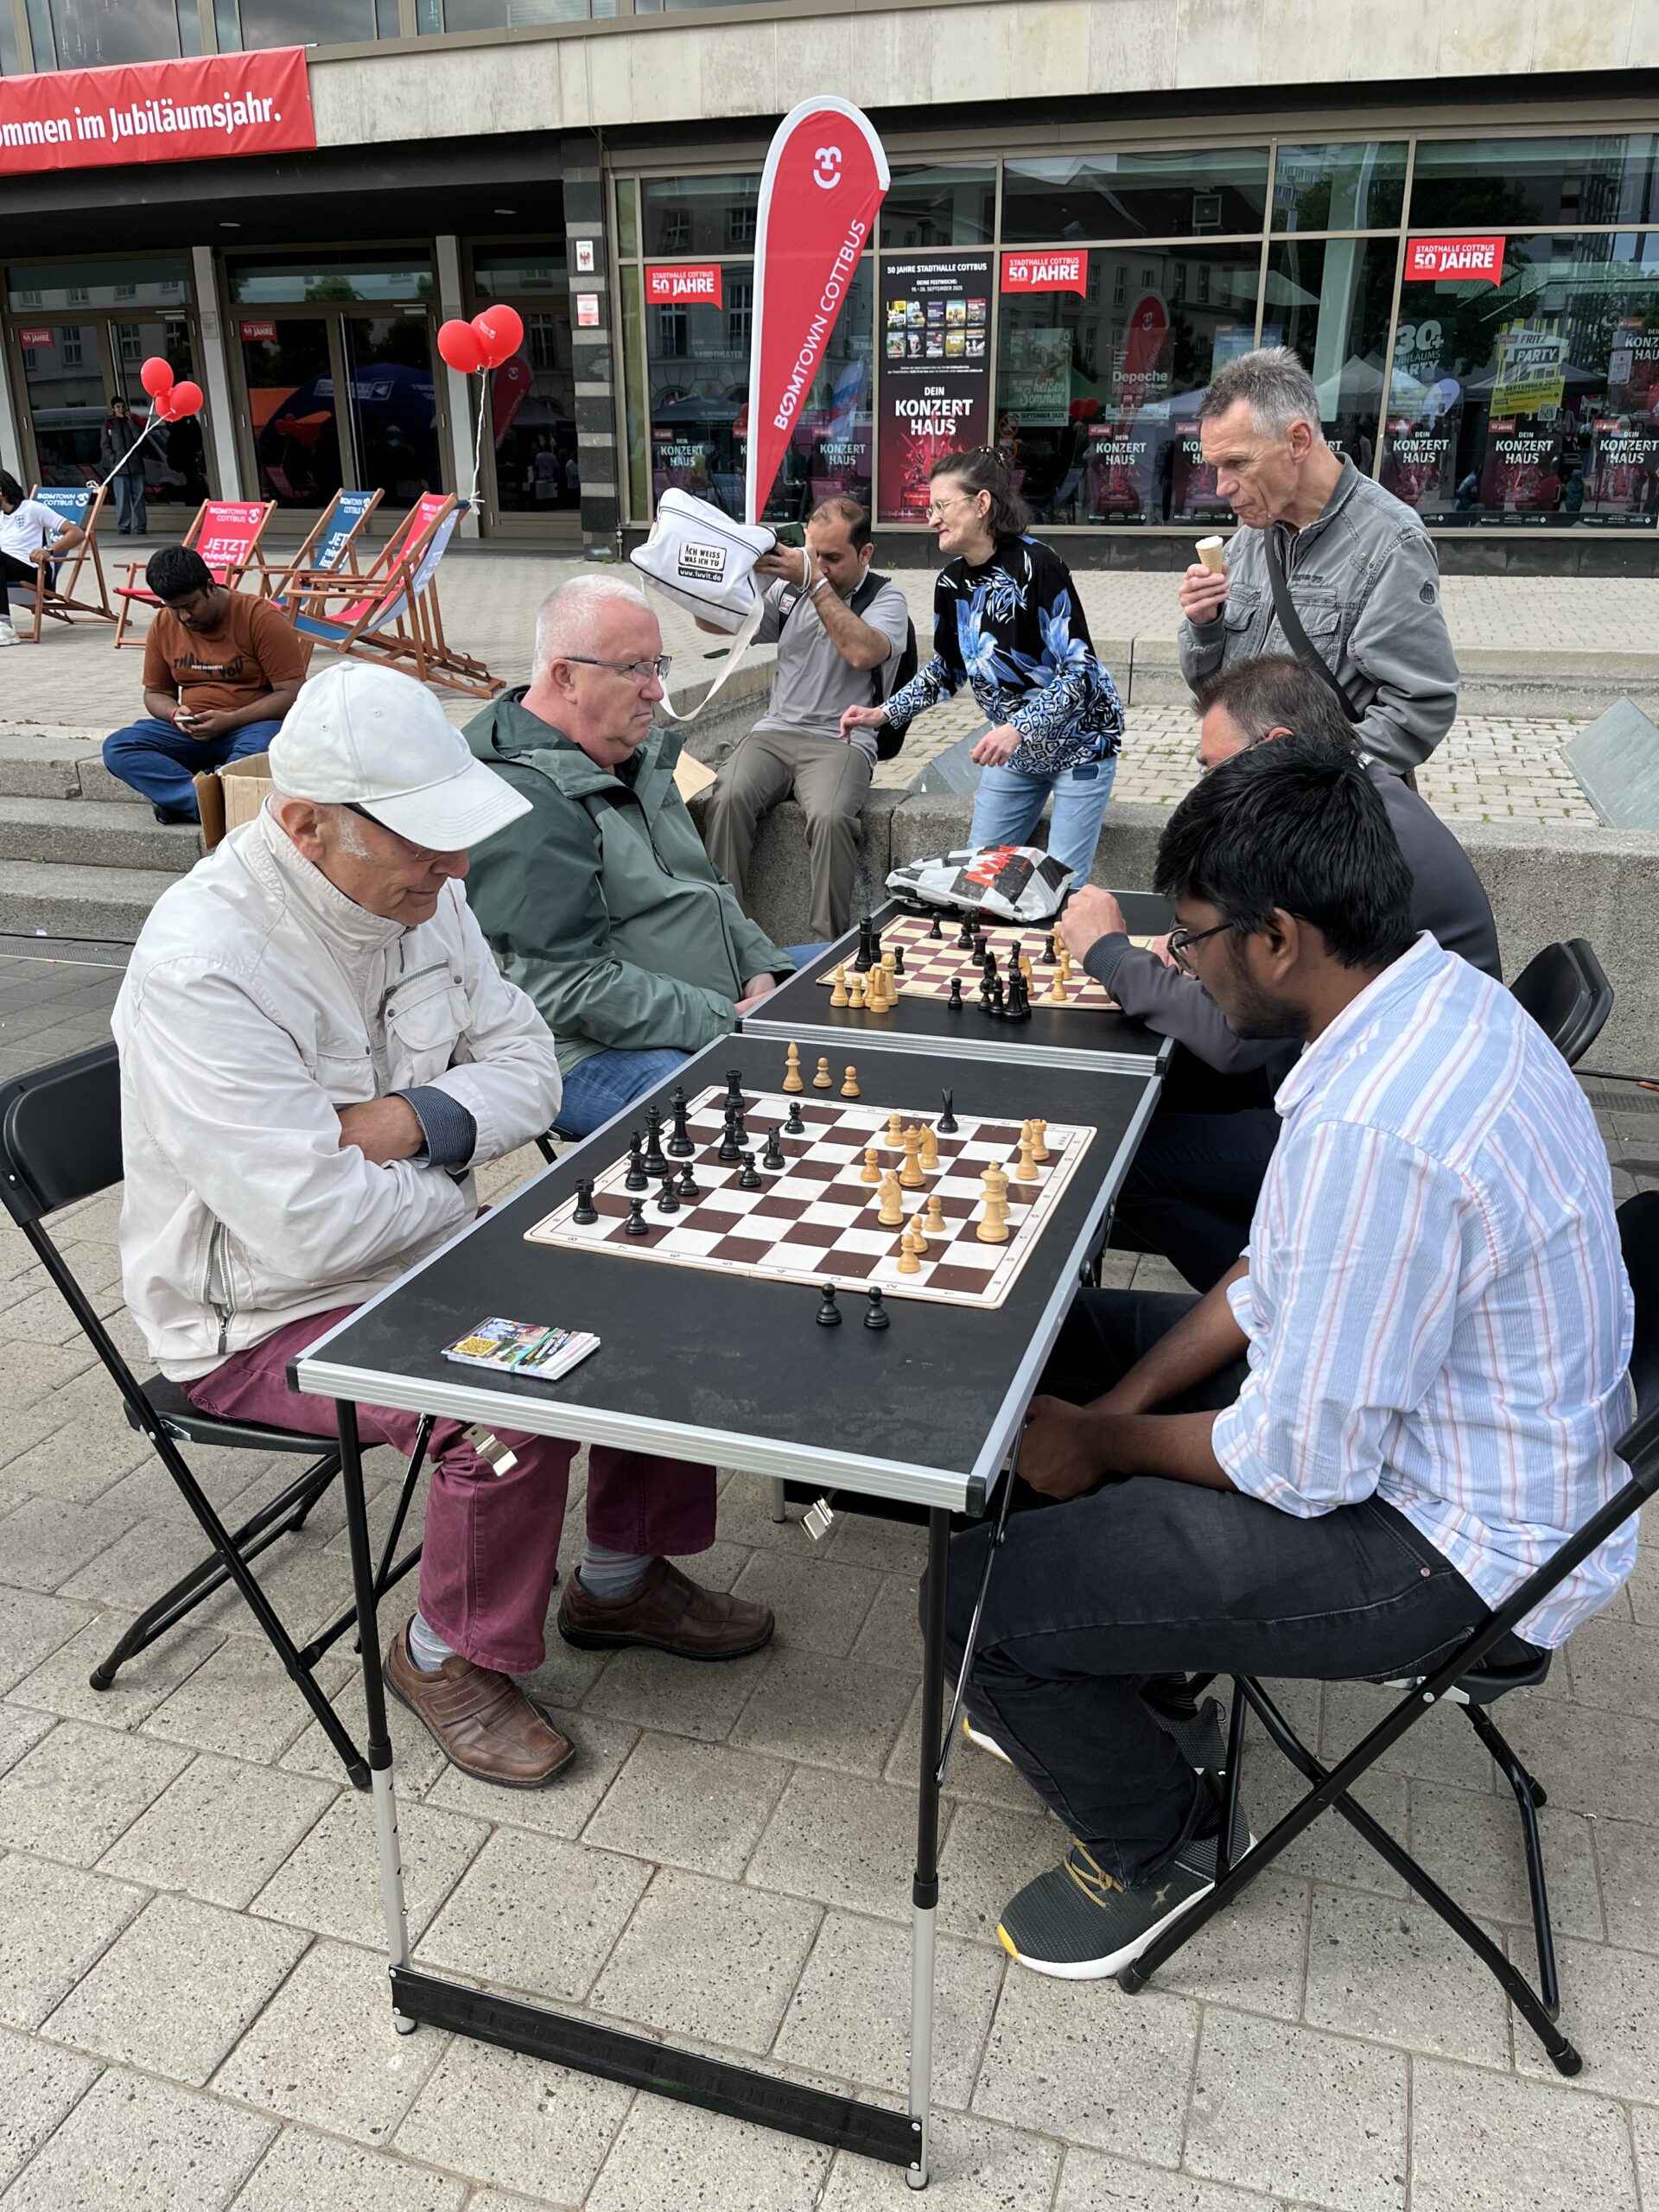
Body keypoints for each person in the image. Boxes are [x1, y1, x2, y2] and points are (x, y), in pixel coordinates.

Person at [943, 735, 1634, 1982]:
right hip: (1443, 1444)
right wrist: (1113, 1406)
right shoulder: (1426, 998)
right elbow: (1275, 1277)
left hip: (1442, 1548)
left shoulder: (1379, 1125)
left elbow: (1302, 1462)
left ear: (1278, 940)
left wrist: (1104, 1442)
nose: (1180, 961)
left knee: (976, 1606)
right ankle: (1131, 1665)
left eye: (1193, 937)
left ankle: (1165, 1844)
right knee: (1058, 1345)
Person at [114, 662, 772, 1789]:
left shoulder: (420, 892)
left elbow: (531, 1072)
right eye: (427, 839)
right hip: (258, 1320)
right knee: (503, 1400)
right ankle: (440, 1654)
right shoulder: (204, 965)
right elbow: (311, 1231)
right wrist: (460, 1186)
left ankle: (619, 1581)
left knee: (650, 1272)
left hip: (408, 1252)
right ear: (308, 825)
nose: (459, 865)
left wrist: (407, 1122)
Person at [1058, 656, 1501, 1290]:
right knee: (1159, 1098)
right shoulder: (1360, 798)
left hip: (1374, 1121)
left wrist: (1109, 955)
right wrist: (1194, 950)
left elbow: (1239, 1034)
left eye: (1215, 769)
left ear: (1278, 746)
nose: (1206, 791)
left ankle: (1273, 1293)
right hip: (1389, 1082)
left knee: (1113, 1161)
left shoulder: (1336, 843)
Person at [461, 575, 793, 1140]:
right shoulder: (526, 800)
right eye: (635, 669)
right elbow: (566, 987)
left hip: (704, 1000)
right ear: (565, 677)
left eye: (657, 666)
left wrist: (758, 967)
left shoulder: (629, 752)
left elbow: (707, 886)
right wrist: (721, 1017)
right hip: (578, 1049)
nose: (656, 691)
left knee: (857, 988)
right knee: (746, 1123)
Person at [842, 448, 1123, 885]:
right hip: (1016, 755)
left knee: (1061, 884)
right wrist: (884, 713)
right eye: (929, 509)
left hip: (1082, 746)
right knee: (978, 875)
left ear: (982, 503)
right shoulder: (950, 583)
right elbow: (947, 670)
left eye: (941, 505)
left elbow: (1080, 671)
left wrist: (1016, 728)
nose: (932, 519)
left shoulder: (1038, 566)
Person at [1177, 348, 1459, 776]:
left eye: (1236, 463)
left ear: (1298, 441)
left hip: (1314, 806)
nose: (1221, 487)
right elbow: (1210, 689)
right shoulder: (1249, 538)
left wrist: (1309, 779)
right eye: (1215, 466)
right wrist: (1205, 624)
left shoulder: (1390, 542)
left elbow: (1420, 707)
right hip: (1235, 794)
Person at [703, 497, 912, 941]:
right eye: (813, 553)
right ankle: (727, 938)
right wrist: (724, 576)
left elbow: (862, 653)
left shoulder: (886, 598)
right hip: (775, 731)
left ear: (866, 553)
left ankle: (826, 947)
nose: (819, 565)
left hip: (842, 740)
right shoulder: (789, 592)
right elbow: (715, 625)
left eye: (832, 557)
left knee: (832, 818)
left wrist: (814, 582)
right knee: (727, 797)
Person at [103, 546, 308, 825]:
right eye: (173, 608)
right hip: (191, 731)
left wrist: (231, 720)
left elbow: (292, 693)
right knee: (119, 746)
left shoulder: (259, 618)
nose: (184, 617)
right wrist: (174, 714)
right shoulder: (164, 624)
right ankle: (208, 803)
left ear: (211, 587)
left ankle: (183, 801)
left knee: (265, 747)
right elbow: (156, 694)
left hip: (251, 726)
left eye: (190, 606)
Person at [0, 469, 86, 649]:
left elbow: (77, 533)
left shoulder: (32, 509)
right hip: (6, 573)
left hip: (33, 572)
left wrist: (48, 550)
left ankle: (5, 627)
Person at [100, 397, 149, 535]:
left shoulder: (132, 421)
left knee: (138, 498)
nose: (121, 409)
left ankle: (140, 525)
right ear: (113, 409)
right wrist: (113, 458)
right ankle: (124, 525)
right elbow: (105, 444)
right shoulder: (109, 424)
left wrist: (131, 422)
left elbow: (139, 438)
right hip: (119, 466)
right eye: (118, 407)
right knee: (122, 498)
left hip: (135, 465)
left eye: (122, 406)